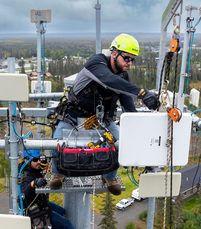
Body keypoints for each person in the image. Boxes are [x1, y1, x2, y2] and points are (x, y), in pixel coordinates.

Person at [49, 33, 160, 194]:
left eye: (132, 60)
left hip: (103, 120)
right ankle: (58, 175)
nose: (129, 63)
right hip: (73, 116)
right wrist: (142, 93)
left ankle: (110, 176)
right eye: (127, 58)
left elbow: (128, 105)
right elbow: (109, 80)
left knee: (120, 146)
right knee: (57, 144)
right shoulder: (96, 63)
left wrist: (140, 139)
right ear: (114, 54)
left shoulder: (123, 76)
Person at [20, 153, 98, 229]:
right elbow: (22, 200)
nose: (38, 162)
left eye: (39, 159)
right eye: (35, 160)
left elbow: (39, 169)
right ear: (26, 161)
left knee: (61, 211)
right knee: (65, 223)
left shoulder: (31, 170)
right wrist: (32, 184)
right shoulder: (25, 177)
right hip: (35, 210)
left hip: (39, 203)